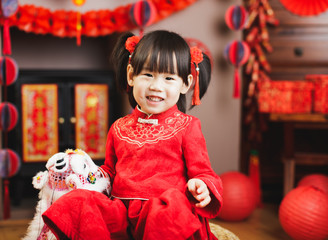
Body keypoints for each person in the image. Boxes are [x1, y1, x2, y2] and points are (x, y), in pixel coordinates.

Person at [42, 30, 223, 240]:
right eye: (148, 75)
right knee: (78, 201)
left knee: (171, 204)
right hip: (122, 212)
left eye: (169, 78)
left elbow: (204, 172)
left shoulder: (187, 126)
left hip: (165, 215)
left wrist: (201, 185)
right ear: (131, 75)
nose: (156, 86)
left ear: (186, 84)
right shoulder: (119, 127)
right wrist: (85, 175)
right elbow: (109, 171)